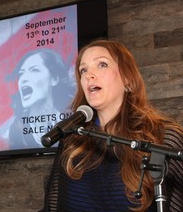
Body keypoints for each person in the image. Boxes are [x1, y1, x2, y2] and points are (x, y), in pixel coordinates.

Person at [40, 39, 183, 211]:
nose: (88, 75)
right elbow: (52, 207)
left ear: (128, 79)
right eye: (83, 70)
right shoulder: (72, 139)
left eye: (102, 64)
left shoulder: (164, 137)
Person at [7, 48, 75, 149]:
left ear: (54, 79)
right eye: (21, 73)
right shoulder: (17, 128)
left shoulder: (72, 118)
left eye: (34, 70)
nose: (23, 79)